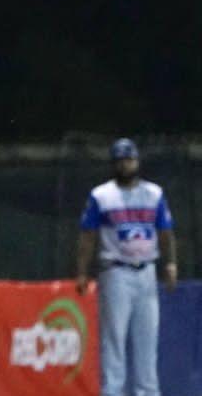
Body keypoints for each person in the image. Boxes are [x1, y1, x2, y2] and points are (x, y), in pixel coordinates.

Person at [76, 138, 176, 396]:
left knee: (147, 341)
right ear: (113, 164)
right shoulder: (102, 195)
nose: (125, 165)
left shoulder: (154, 193)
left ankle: (148, 392)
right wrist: (82, 271)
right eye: (120, 160)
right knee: (114, 341)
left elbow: (165, 233)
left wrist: (171, 263)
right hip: (115, 271)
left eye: (129, 159)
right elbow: (88, 235)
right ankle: (113, 392)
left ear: (137, 162)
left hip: (146, 271)